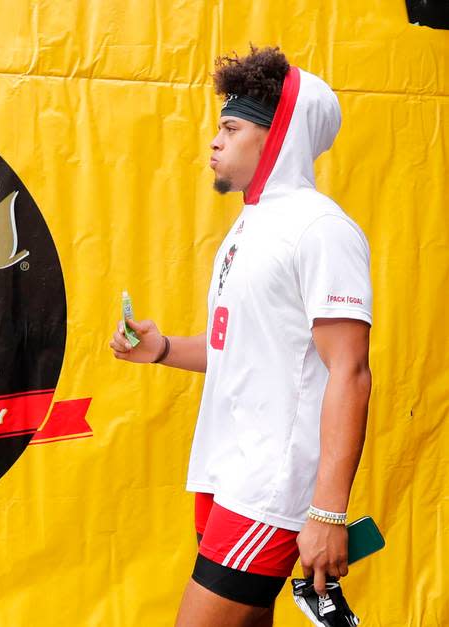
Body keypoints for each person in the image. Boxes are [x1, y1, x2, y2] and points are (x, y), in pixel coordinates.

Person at [109, 46, 373, 627]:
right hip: (225, 472)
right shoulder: (247, 228)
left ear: (276, 136)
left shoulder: (321, 229)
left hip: (272, 487)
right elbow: (246, 349)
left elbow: (349, 371)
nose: (215, 141)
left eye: (231, 127)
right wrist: (163, 349)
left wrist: (328, 512)